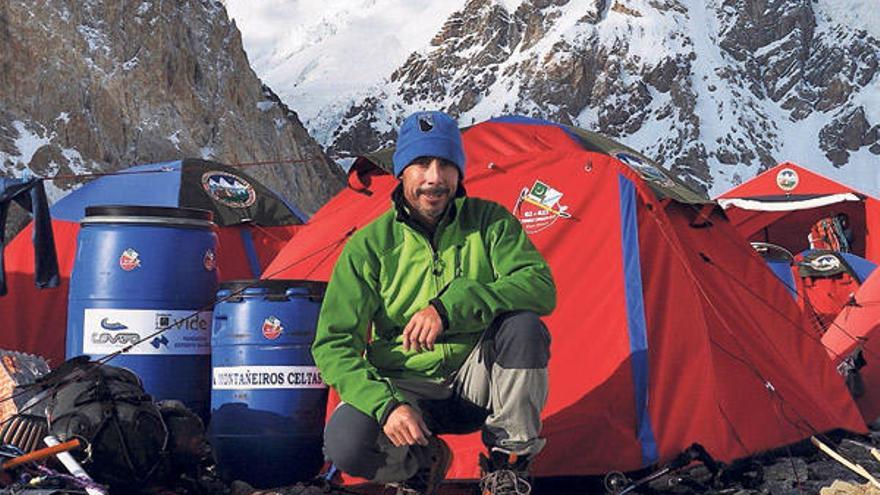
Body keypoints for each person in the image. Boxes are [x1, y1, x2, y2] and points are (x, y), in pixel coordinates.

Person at [313, 111, 556, 495]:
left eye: (446, 165)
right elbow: (333, 345)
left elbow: (540, 288)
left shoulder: (490, 223)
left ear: (459, 173)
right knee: (345, 443)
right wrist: (386, 404)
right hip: (404, 386)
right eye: (421, 164)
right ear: (401, 172)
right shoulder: (369, 247)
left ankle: (508, 464)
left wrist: (450, 306)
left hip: (476, 381)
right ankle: (417, 464)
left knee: (524, 326)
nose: (434, 178)